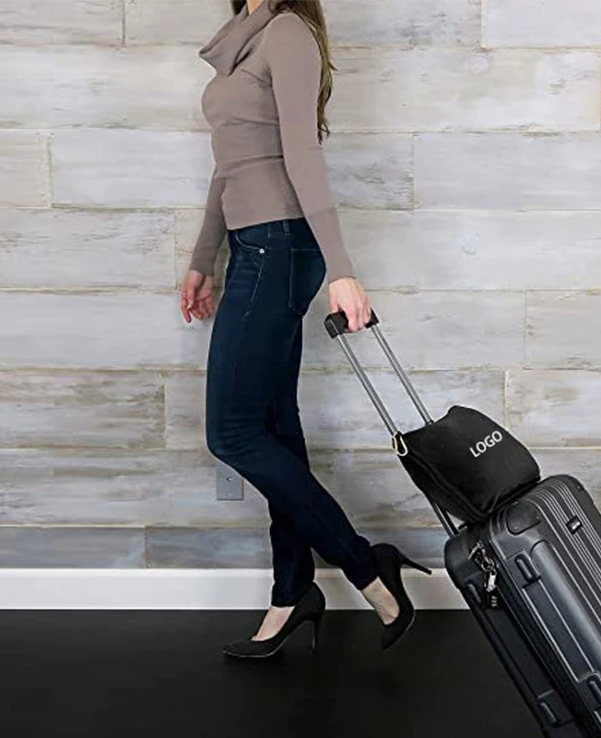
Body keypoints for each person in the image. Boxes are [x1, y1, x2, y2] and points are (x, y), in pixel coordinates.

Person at [180, 0, 429, 659]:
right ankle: (292, 593)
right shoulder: (243, 36)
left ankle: (365, 565)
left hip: (279, 246)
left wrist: (342, 269)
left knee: (231, 433)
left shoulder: (287, 32)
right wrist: (204, 258)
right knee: (274, 428)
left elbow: (302, 154)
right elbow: (229, 164)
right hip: (253, 247)